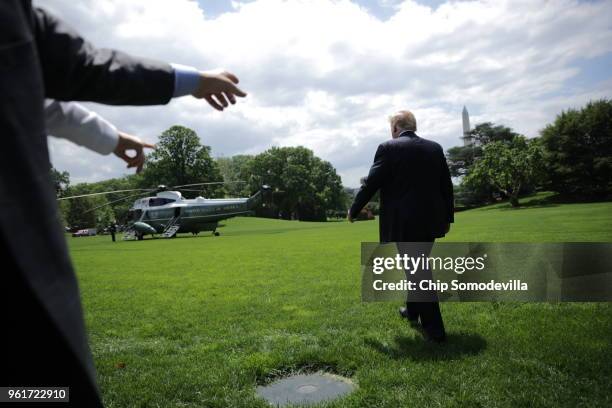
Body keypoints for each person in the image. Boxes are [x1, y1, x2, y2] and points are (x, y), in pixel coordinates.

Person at [1, 2, 246, 406]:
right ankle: (391, 300)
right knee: (42, 387)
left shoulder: (384, 149)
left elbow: (43, 93)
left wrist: (112, 139)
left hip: (392, 226)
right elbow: (76, 70)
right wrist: (193, 81)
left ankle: (391, 297)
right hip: (391, 222)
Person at [348, 110, 454, 342]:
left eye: (391, 127)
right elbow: (446, 186)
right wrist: (448, 218)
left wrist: (353, 209)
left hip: (404, 223)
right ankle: (412, 311)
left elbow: (371, 184)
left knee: (418, 271)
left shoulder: (388, 148)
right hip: (432, 221)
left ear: (396, 126)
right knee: (417, 268)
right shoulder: (434, 148)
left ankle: (435, 331)